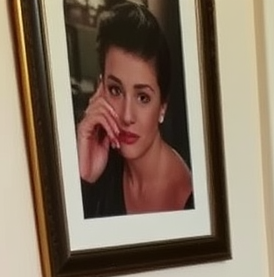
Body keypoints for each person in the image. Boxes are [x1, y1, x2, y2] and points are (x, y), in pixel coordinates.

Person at [76, 1, 193, 218]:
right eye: (115, 90)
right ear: (99, 88)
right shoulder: (99, 165)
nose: (126, 116)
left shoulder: (191, 199)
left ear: (162, 107)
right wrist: (84, 178)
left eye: (142, 97)